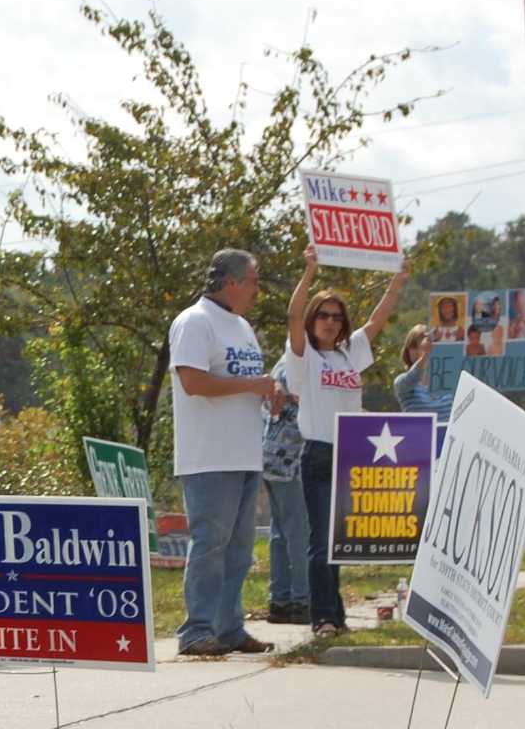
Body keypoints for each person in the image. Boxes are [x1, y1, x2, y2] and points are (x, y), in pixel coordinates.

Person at [285, 246, 409, 637]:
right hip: (319, 453)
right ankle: (321, 617)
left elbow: (377, 319)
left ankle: (335, 616)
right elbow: (292, 316)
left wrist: (397, 280)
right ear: (313, 319)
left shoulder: (348, 354)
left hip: (352, 454)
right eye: (323, 314)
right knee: (321, 542)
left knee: (338, 543)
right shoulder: (304, 355)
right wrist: (308, 271)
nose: (330, 321)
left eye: (336, 317)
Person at [168, 249, 286, 656]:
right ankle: (196, 630)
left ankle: (230, 628)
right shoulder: (195, 322)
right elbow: (194, 383)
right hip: (209, 457)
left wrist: (268, 395)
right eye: (254, 280)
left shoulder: (242, 327)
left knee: (238, 552)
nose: (257, 289)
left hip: (244, 454)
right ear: (232, 282)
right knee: (210, 545)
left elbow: (243, 382)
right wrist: (252, 386)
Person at [261, 355, 309, 625]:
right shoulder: (299, 365)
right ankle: (302, 600)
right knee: (299, 531)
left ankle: (279, 599)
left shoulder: (284, 363)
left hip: (273, 454)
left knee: (280, 531)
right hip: (292, 457)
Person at [392, 323, 451, 423]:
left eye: (425, 346)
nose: (419, 350)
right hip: (420, 438)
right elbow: (413, 377)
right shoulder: (401, 382)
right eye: (414, 346)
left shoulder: (449, 381)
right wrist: (425, 355)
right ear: (407, 351)